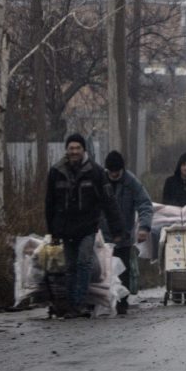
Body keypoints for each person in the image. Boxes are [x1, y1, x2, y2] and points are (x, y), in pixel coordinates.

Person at [45, 133, 126, 318]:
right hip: (65, 228)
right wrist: (52, 231)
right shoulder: (56, 172)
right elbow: (50, 203)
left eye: (77, 148)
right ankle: (71, 305)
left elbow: (109, 202)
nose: (74, 151)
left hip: (87, 227)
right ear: (66, 150)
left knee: (83, 262)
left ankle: (79, 304)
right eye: (71, 148)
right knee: (70, 266)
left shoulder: (96, 172)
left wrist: (117, 229)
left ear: (84, 150)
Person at [99, 150, 153, 315]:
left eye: (117, 171)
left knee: (123, 271)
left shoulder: (131, 182)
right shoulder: (100, 180)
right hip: (102, 236)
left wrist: (144, 227)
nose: (114, 175)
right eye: (111, 172)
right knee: (101, 271)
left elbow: (145, 204)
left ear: (122, 169)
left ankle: (122, 305)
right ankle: (100, 303)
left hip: (123, 236)